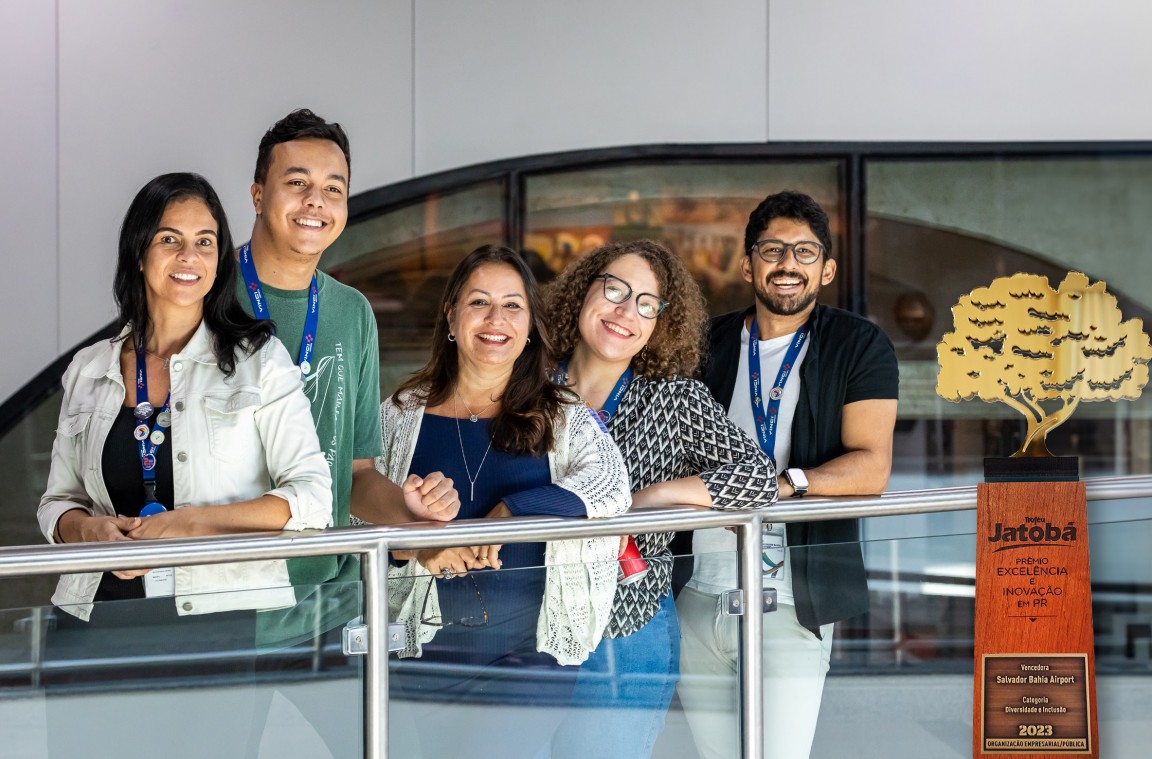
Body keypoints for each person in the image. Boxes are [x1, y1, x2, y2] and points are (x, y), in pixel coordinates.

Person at [36, 172, 333, 758]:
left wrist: (192, 524)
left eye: (205, 240)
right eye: (170, 239)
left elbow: (313, 499)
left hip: (212, 623)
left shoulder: (258, 361)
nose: (188, 256)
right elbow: (55, 503)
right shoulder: (89, 369)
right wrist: (89, 530)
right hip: (91, 622)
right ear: (139, 250)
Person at [377, 244, 631, 758]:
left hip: (531, 651)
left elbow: (611, 486)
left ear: (531, 324)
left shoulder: (562, 413)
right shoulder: (399, 414)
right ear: (451, 315)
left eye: (513, 305)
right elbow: (359, 520)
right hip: (424, 657)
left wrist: (512, 512)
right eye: (479, 303)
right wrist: (416, 543)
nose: (497, 319)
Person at [677, 190, 899, 759]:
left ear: (826, 269)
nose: (787, 264)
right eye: (772, 249)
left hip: (791, 600)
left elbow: (871, 468)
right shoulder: (706, 343)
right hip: (695, 594)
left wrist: (780, 486)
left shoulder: (858, 344)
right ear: (748, 263)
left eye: (804, 251)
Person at [540, 239, 778, 759]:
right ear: (584, 291)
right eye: (616, 290)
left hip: (623, 633)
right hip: (524, 623)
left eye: (647, 304)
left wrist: (655, 495)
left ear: (659, 323)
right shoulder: (525, 384)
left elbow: (758, 475)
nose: (627, 312)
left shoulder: (674, 400)